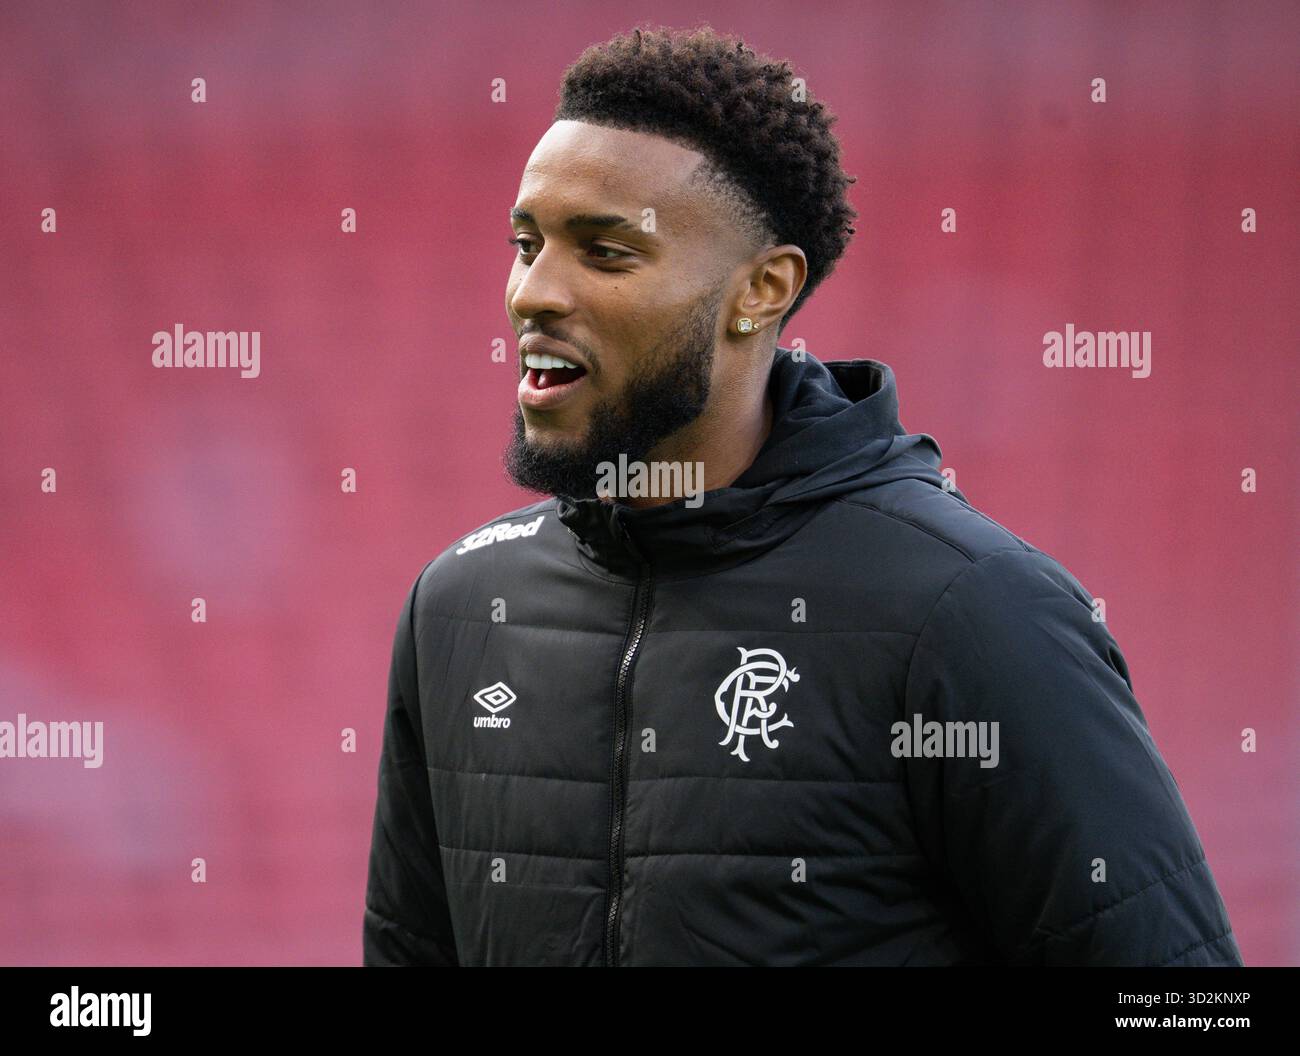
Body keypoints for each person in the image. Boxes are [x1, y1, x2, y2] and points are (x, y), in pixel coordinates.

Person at [362, 24, 1241, 966]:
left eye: (606, 253)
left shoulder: (972, 610)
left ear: (763, 290)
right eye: (525, 243)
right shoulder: (457, 610)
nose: (533, 293)